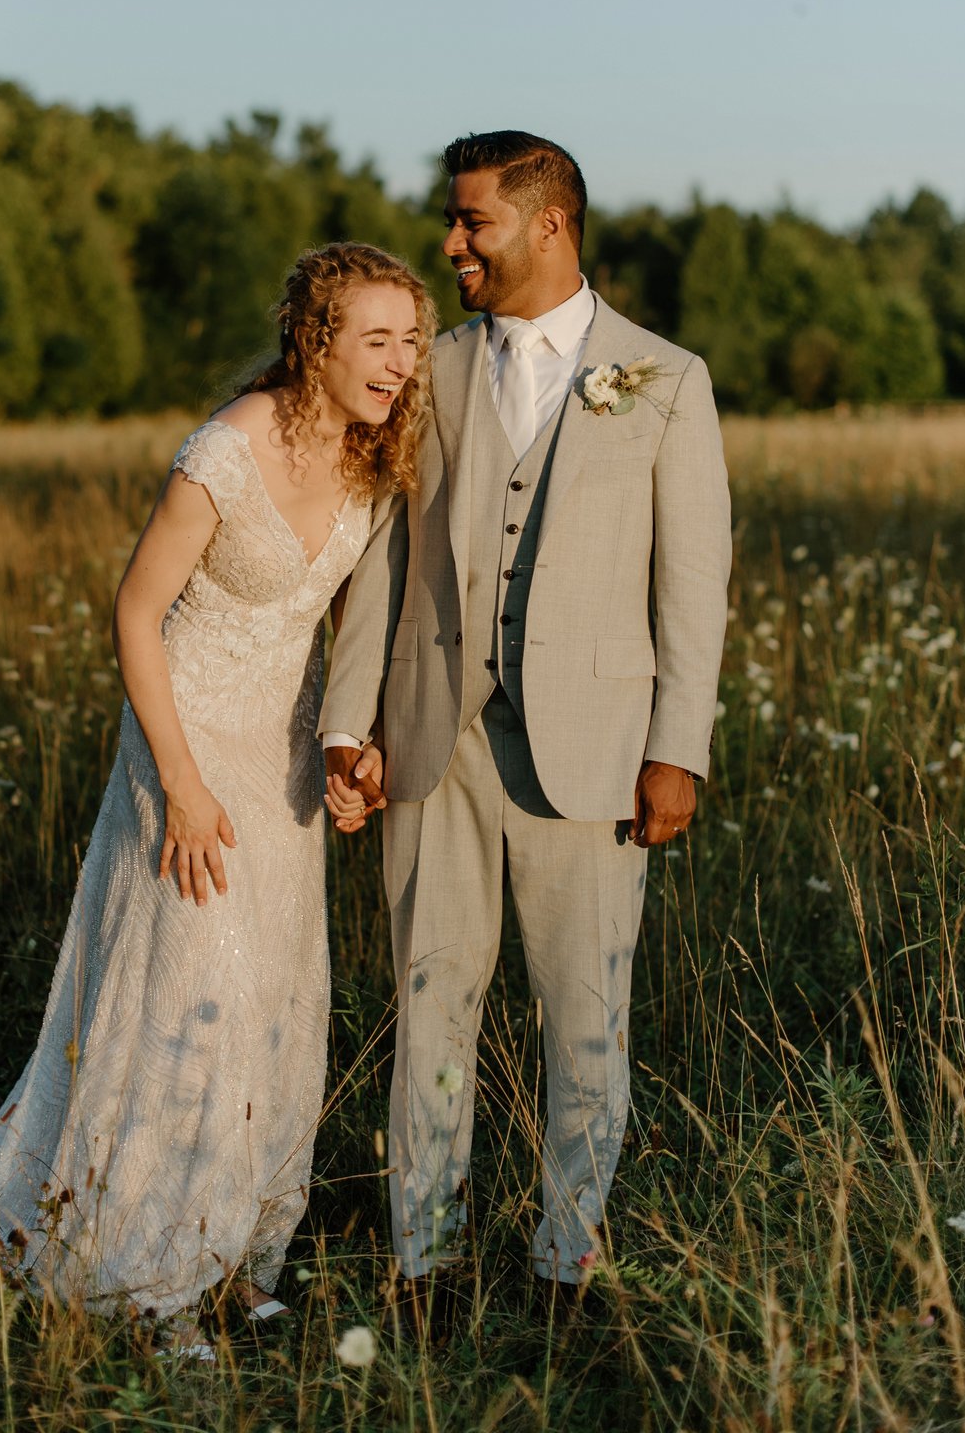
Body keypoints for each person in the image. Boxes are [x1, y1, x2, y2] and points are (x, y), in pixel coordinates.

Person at [0, 243, 434, 1356]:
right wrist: (178, 784)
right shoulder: (226, 450)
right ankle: (152, 1269)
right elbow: (135, 615)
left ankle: (235, 1255)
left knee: (270, 990)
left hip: (279, 761)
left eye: (411, 340)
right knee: (189, 994)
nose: (401, 361)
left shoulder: (377, 458)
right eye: (377, 339)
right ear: (315, 341)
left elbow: (353, 631)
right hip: (181, 743)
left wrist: (350, 747)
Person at [323, 131, 731, 1316]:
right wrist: (348, 721)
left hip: (597, 755)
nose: (449, 244)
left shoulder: (664, 378)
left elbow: (690, 584)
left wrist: (675, 748)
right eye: (450, 223)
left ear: (546, 222)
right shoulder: (429, 372)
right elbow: (382, 561)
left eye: (470, 223)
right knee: (428, 1003)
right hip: (431, 741)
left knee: (584, 1024)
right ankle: (424, 1263)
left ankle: (565, 1266)